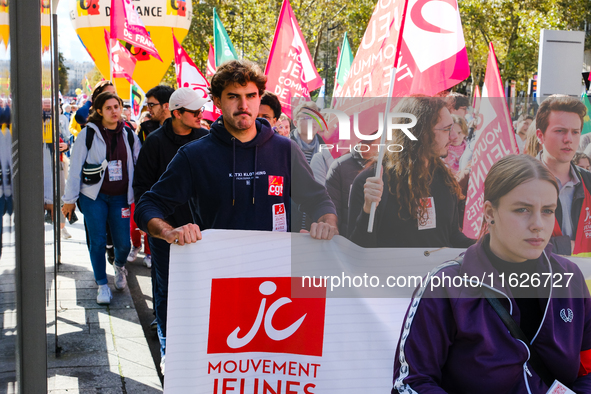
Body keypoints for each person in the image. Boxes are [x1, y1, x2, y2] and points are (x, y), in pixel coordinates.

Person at [392, 154, 591, 393]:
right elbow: (411, 383)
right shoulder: (445, 285)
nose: (538, 223)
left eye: (548, 211)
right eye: (522, 210)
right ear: (489, 212)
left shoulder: (569, 277)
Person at [134, 59, 337, 248]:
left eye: (251, 96)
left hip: (275, 268)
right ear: (218, 102)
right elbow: (148, 205)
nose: (243, 105)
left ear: (259, 98)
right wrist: (169, 231)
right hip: (219, 271)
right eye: (233, 96)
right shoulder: (194, 155)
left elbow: (319, 200)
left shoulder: (285, 150)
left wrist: (327, 223)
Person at [132, 87, 209, 369]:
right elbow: (141, 188)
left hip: (202, 232)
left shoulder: (206, 138)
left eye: (202, 110)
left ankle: (197, 345)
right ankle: (167, 348)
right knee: (166, 289)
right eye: (196, 112)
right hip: (166, 233)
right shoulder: (154, 143)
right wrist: (153, 225)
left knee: (201, 288)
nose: (202, 116)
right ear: (177, 114)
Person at [348, 96, 474, 248]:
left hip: (436, 272)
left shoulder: (444, 178)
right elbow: (356, 251)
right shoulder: (373, 181)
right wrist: (368, 210)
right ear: (420, 132)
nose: (453, 136)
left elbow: (451, 236)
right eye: (446, 129)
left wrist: (485, 244)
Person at [62, 92, 140, 305]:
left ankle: (119, 266)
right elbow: (75, 168)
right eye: (109, 108)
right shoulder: (88, 134)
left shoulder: (129, 134)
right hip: (93, 197)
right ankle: (102, 284)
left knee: (123, 244)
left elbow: (138, 163)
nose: (115, 111)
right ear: (99, 111)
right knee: (97, 241)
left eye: (117, 106)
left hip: (121, 198)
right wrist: (69, 200)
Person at [535, 95, 591, 256]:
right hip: (537, 279)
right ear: (540, 135)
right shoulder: (519, 183)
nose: (568, 139)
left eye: (575, 132)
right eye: (560, 131)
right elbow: (509, 241)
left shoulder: (588, 181)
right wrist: (565, 247)